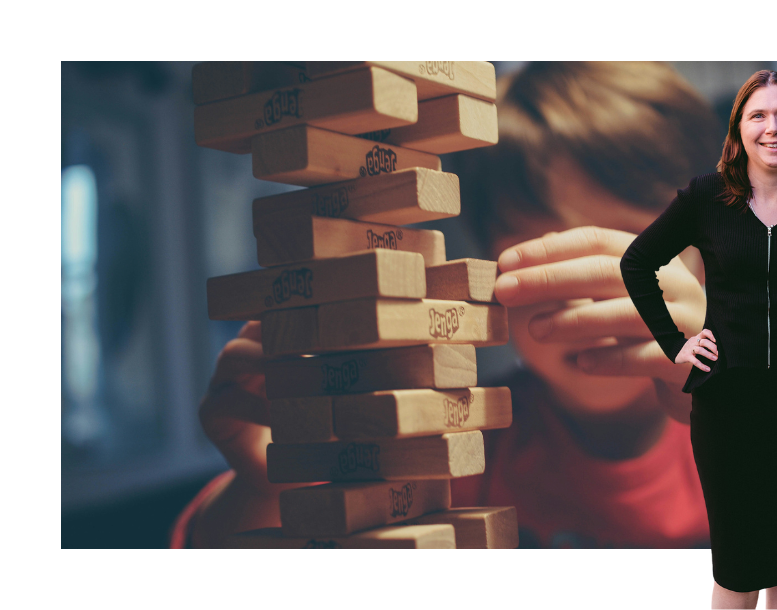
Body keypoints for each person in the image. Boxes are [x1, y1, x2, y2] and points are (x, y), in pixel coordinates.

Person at [171, 61, 722, 549]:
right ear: (486, 271)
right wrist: (269, 484)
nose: (585, 298)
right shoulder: (451, 444)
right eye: (543, 257)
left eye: (629, 250)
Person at [618, 70, 777, 608]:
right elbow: (636, 262)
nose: (772, 127)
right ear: (739, 130)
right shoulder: (706, 199)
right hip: (728, 410)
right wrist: (675, 343)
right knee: (739, 568)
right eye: (759, 116)